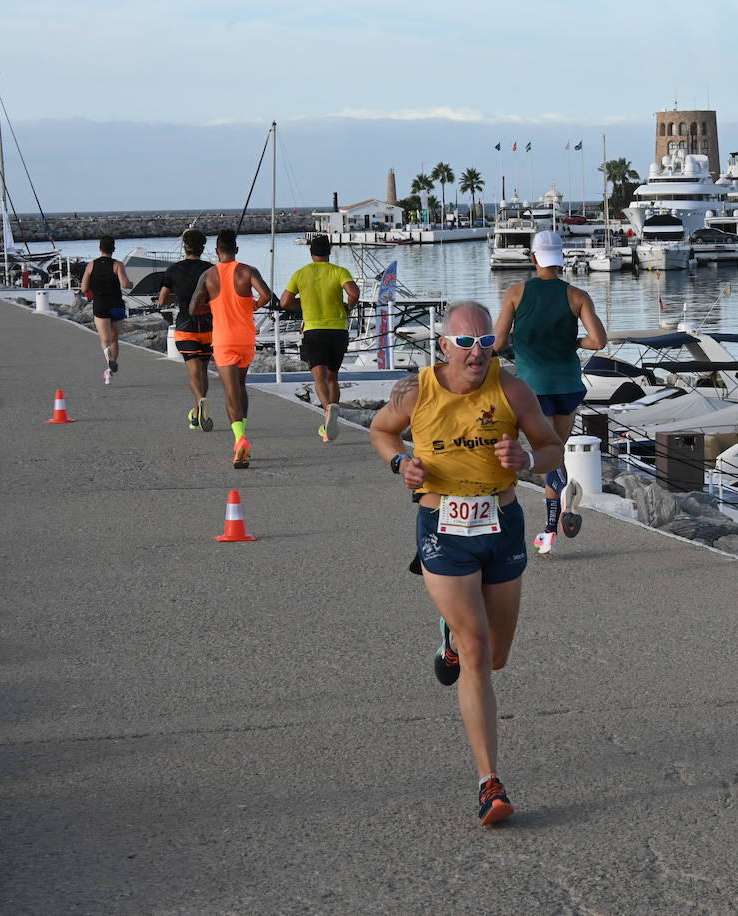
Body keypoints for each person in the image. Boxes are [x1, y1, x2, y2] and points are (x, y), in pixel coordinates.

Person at [370, 301, 563, 826]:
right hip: (443, 529)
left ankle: (450, 638)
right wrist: (400, 462)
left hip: (501, 525)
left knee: (495, 656)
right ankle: (489, 782)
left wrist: (528, 460)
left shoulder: (512, 389)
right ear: (443, 346)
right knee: (477, 651)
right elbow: (381, 430)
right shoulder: (415, 391)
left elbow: (552, 447)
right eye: (464, 343)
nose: (477, 352)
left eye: (485, 341)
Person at [493, 229, 607, 555]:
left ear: (534, 258)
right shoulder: (577, 296)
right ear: (561, 259)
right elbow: (598, 341)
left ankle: (550, 528)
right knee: (555, 451)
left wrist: (515, 343)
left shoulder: (515, 293)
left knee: (548, 458)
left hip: (534, 389)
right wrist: (574, 341)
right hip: (568, 387)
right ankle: (558, 516)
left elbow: (497, 343)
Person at [190, 229, 273, 469]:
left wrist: (214, 307)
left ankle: (240, 440)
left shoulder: (208, 275)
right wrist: (253, 306)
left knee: (230, 391)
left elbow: (194, 308)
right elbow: (266, 295)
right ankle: (242, 434)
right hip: (246, 338)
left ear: (217, 251)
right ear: (236, 250)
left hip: (224, 339)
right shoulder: (248, 271)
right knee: (241, 385)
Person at [279, 235, 359, 442]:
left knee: (319, 378)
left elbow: (284, 302)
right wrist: (348, 308)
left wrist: (303, 303)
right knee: (333, 377)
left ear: (311, 252)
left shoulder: (301, 274)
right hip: (338, 331)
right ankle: (333, 412)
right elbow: (354, 293)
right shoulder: (339, 271)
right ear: (329, 251)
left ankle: (327, 412)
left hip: (314, 331)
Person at [157, 229, 216, 431]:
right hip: (208, 327)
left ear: (184, 247)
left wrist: (179, 298)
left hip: (185, 326)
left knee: (193, 373)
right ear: (203, 248)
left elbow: (162, 300)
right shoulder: (211, 269)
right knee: (203, 370)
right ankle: (197, 414)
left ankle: (200, 401)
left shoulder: (173, 270)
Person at [79, 236, 132, 384]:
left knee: (105, 340)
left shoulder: (91, 265)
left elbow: (83, 288)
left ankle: (108, 358)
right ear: (113, 249)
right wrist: (131, 283)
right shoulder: (118, 265)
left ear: (100, 248)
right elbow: (125, 284)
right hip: (116, 304)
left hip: (100, 305)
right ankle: (109, 371)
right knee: (115, 339)